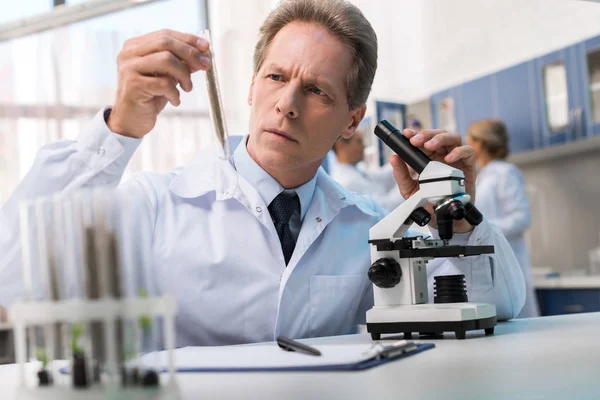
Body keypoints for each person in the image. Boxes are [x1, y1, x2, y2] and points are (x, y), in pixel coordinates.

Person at [0, 0, 525, 347]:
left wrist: (454, 216)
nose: (287, 105)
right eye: (276, 77)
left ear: (352, 120)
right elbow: (13, 278)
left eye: (317, 90)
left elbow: (499, 306)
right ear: (252, 87)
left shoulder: (370, 226)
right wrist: (117, 132)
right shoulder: (155, 204)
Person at [467, 119, 539, 318]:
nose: (467, 143)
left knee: (518, 327)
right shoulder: (483, 176)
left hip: (510, 262)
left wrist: (482, 228)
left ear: (480, 143)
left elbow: (521, 218)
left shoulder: (506, 173)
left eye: (470, 139)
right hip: (488, 263)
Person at [330, 129, 404, 211]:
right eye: (359, 142)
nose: (364, 146)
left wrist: (402, 161)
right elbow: (386, 208)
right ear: (341, 146)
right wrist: (405, 180)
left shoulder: (355, 170)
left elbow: (381, 177)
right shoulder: (347, 182)